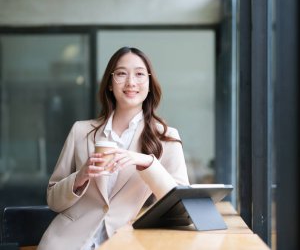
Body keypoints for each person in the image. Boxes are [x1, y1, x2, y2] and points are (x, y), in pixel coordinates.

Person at [38, 46, 189, 250]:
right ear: (109, 84)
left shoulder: (165, 137)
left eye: (139, 74)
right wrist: (80, 177)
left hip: (125, 243)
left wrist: (147, 162)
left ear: (150, 83)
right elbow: (54, 200)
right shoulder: (81, 131)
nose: (131, 82)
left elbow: (183, 207)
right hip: (67, 242)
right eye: (121, 74)